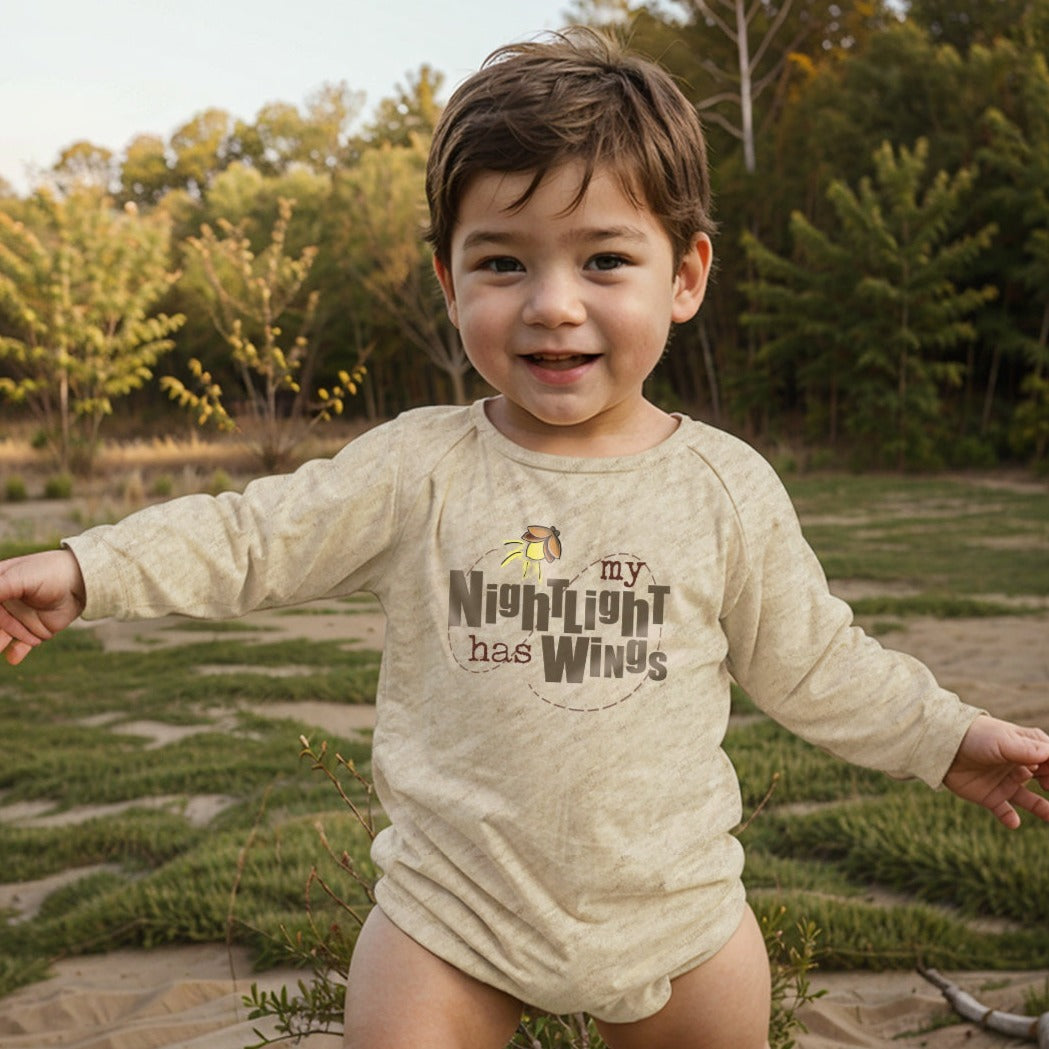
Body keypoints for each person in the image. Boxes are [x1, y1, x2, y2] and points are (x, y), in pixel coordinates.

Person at [1, 28, 1047, 1049]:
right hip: (449, 919)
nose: (552, 305)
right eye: (502, 262)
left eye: (602, 259)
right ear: (451, 283)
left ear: (682, 276)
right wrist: (89, 567)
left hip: (679, 916)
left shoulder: (723, 486)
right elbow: (251, 535)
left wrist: (945, 737)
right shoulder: (418, 468)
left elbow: (815, 660)